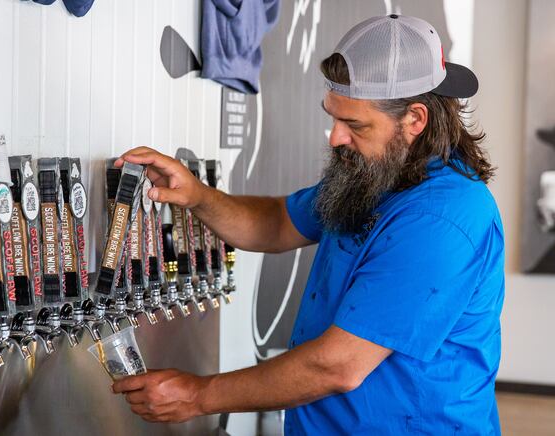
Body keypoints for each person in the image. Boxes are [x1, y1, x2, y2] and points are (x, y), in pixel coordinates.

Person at [112, 14, 505, 435]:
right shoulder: (378, 173)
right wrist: (196, 196)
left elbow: (339, 365)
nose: (335, 137)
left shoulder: (441, 221)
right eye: (333, 116)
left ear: (415, 119)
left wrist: (196, 395)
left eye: (354, 124)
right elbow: (278, 222)